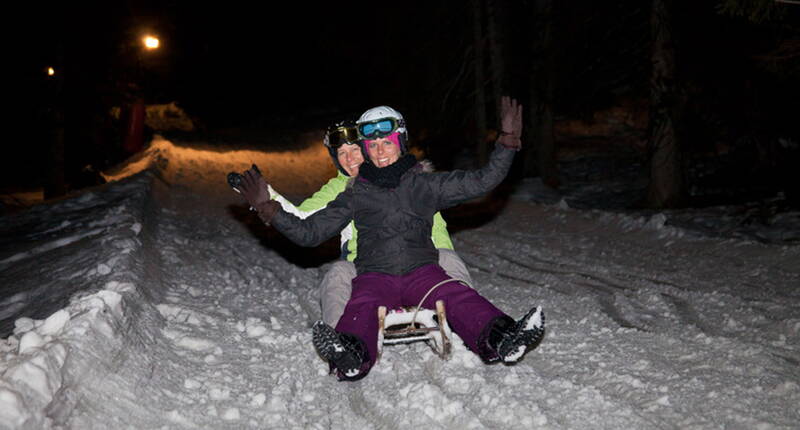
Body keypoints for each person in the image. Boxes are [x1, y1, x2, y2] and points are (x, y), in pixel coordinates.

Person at [233, 97, 544, 381]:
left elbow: (483, 180)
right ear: (366, 150)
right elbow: (309, 233)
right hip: (375, 277)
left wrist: (507, 142)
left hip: (422, 272)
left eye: (387, 142)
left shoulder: (425, 185)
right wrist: (266, 207)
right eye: (373, 145)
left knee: (455, 294)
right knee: (361, 308)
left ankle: (503, 337)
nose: (380, 151)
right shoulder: (354, 194)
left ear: (401, 142)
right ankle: (350, 357)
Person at [264, 116, 474, 327]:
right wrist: (267, 198)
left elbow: (436, 229)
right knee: (337, 275)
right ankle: (341, 339)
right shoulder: (339, 188)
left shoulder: (408, 177)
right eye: (342, 153)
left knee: (447, 257)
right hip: (366, 270)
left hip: (420, 264)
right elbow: (303, 221)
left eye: (355, 150)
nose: (350, 159)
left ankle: (468, 320)